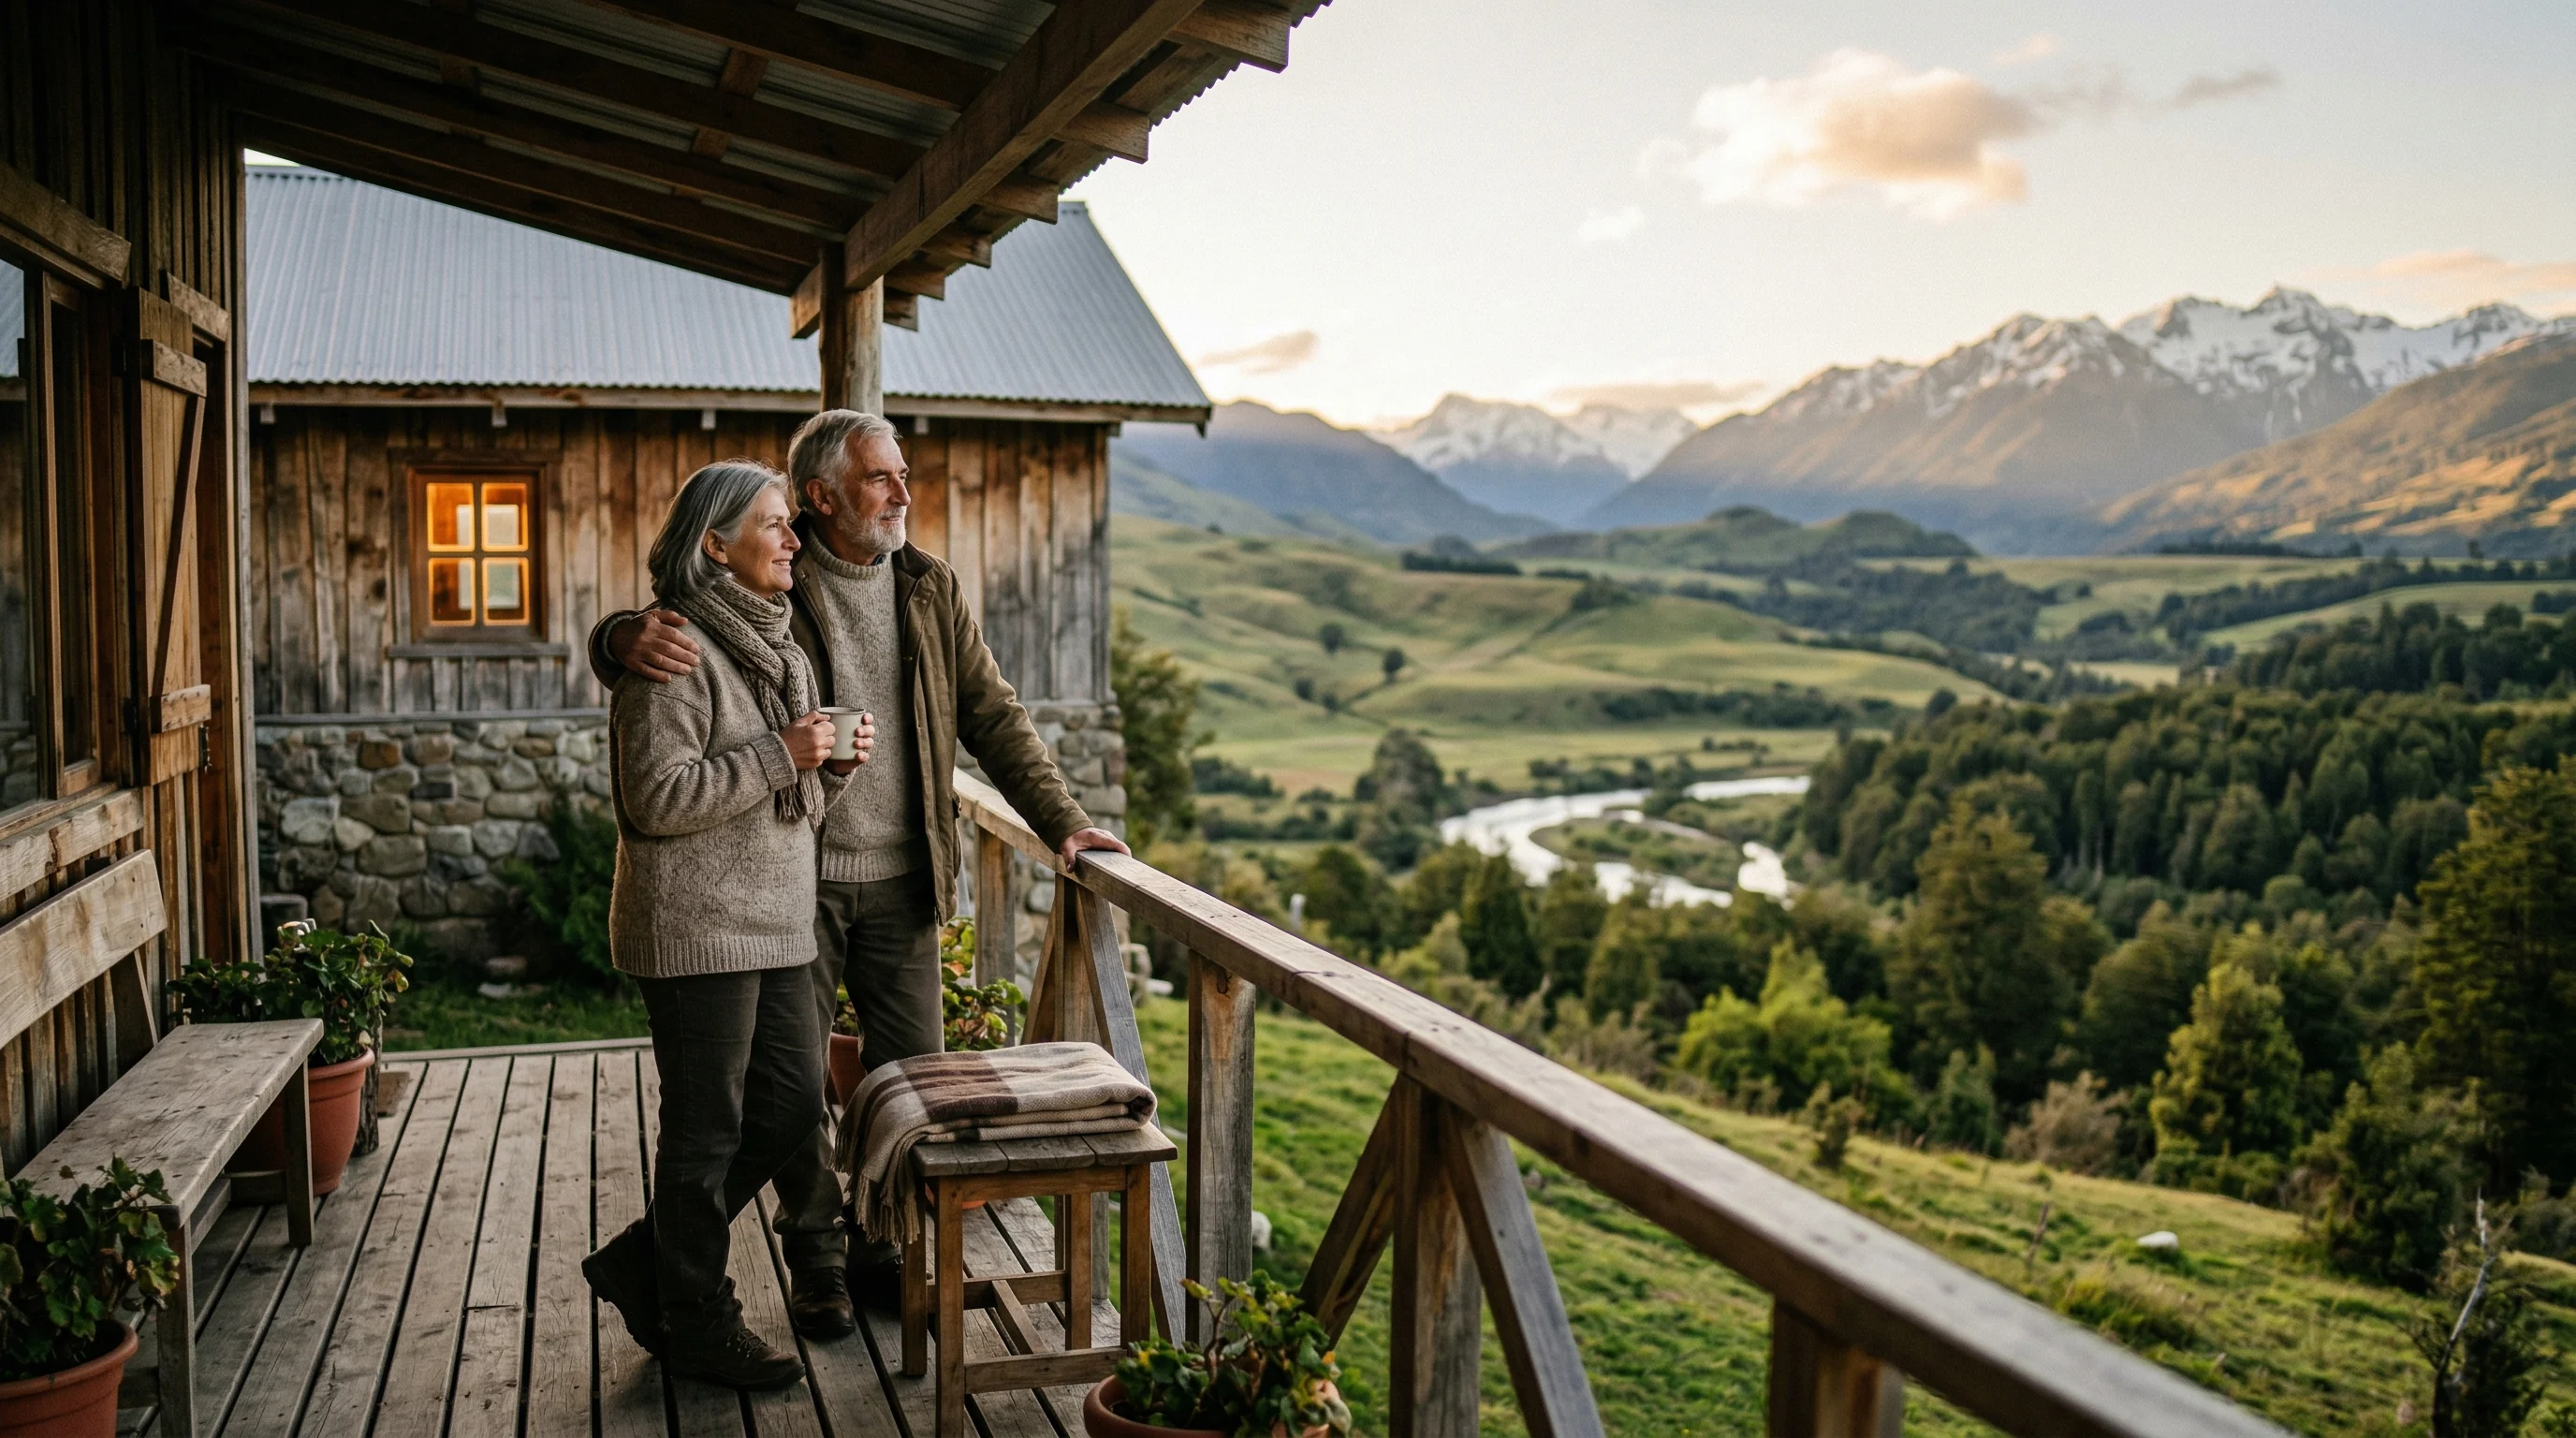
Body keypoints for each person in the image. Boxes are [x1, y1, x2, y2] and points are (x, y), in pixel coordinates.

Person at [588, 410, 1129, 1340]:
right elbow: (675, 612)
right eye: (881, 478)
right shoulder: (776, 583)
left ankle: (878, 1250)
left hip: (903, 880)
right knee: (795, 1100)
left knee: (908, 1080)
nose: (902, 493)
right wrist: (616, 637)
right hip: (789, 883)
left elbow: (993, 715)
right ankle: (819, 1264)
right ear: (819, 495)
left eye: (903, 474)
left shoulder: (926, 588)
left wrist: (1070, 826)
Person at [580, 459, 861, 1389]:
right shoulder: (671, 650)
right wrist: (784, 754)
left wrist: (828, 766)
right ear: (715, 544)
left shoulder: (775, 649)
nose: (792, 538)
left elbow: (791, 803)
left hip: (776, 922)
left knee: (786, 1112)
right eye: (774, 524)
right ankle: (697, 1320)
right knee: (706, 1133)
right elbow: (656, 799)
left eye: (790, 523)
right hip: (697, 926)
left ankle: (644, 1264)